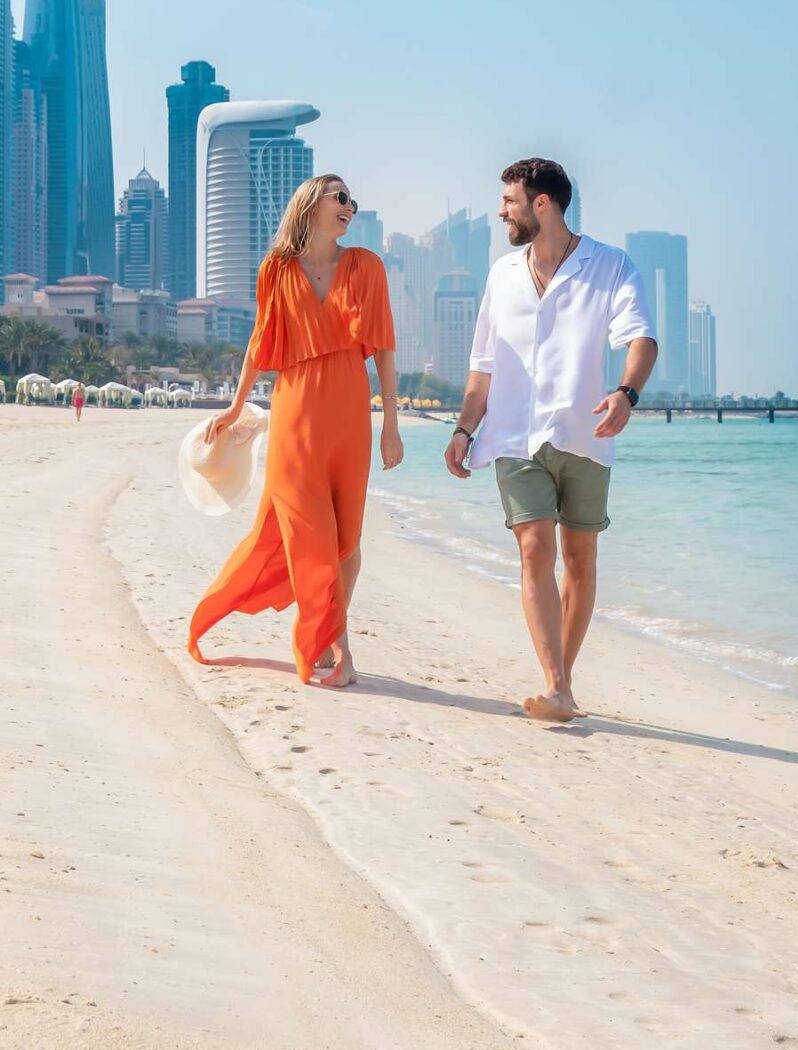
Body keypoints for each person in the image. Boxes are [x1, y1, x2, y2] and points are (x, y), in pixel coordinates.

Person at [445, 157, 655, 723]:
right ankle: (557, 686)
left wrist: (626, 394)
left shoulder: (609, 265)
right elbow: (483, 366)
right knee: (534, 546)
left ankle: (563, 682)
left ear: (543, 204)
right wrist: (465, 429)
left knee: (579, 557)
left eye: (509, 201)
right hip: (513, 435)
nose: (500, 212)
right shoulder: (500, 275)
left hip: (584, 431)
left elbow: (641, 338)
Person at [188, 174, 401, 688]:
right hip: (295, 410)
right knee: (310, 533)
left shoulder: (366, 266)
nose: (350, 206)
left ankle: (331, 633)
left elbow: (385, 347)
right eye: (341, 197)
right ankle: (335, 648)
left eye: (353, 200)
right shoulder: (276, 270)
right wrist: (236, 406)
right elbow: (261, 345)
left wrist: (391, 422)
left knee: (346, 540)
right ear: (311, 204)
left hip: (350, 412)